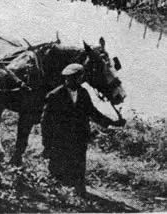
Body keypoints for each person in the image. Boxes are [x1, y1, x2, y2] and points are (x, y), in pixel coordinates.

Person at [41, 63, 126, 196]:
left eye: (78, 78)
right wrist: (46, 144)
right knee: (57, 166)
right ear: (66, 78)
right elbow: (46, 123)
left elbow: (92, 112)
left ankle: (80, 190)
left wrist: (112, 123)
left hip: (79, 137)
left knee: (79, 164)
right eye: (71, 78)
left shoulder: (83, 93)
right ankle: (57, 195)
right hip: (60, 139)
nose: (75, 81)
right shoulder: (54, 95)